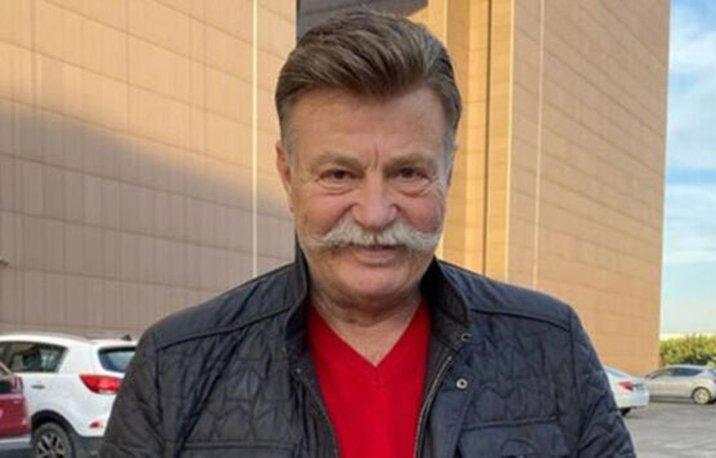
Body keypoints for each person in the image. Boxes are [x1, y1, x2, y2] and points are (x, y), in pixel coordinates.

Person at [101, 10, 634, 458]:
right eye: (339, 174)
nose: (376, 214)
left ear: (447, 172)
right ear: (288, 175)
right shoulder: (177, 365)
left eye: (408, 173)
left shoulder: (550, 346)